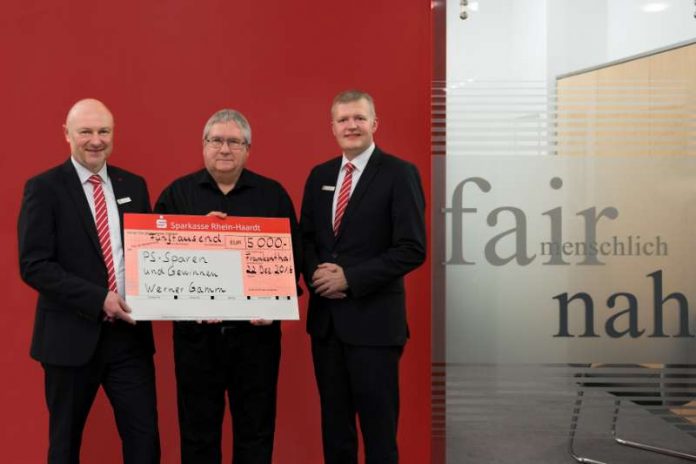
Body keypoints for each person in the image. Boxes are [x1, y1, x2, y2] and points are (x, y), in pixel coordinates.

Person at [18, 98, 160, 464]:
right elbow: (34, 264)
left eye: (104, 131)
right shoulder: (44, 188)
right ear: (67, 134)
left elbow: (154, 249)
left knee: (145, 444)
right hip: (69, 338)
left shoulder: (135, 185)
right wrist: (99, 298)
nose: (96, 140)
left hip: (129, 338)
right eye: (86, 131)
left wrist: (206, 233)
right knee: (65, 446)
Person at [154, 109, 300, 464]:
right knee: (197, 436)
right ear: (203, 146)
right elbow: (153, 261)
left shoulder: (273, 196)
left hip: (256, 340)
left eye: (234, 141)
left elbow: (294, 262)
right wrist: (194, 235)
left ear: (248, 149)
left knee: (256, 434)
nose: (225, 149)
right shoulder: (176, 196)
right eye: (216, 140)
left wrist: (277, 304)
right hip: (196, 341)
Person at [300, 90, 426, 464]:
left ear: (374, 124)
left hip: (374, 327)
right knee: (336, 433)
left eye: (358, 118)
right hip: (327, 327)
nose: (351, 125)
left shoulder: (399, 173)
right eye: (343, 120)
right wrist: (316, 275)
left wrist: (350, 278)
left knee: (379, 434)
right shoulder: (320, 175)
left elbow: (411, 248)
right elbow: (306, 238)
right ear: (333, 128)